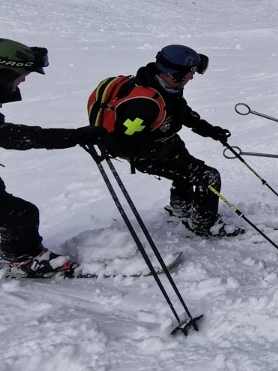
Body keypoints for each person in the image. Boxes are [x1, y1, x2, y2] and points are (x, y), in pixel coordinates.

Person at [0, 38, 106, 276]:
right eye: (20, 75)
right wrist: (71, 136)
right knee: (20, 214)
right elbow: (6, 136)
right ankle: (26, 259)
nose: (22, 80)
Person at [97, 45, 244, 238]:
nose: (192, 77)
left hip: (167, 142)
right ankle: (205, 225)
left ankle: (181, 208)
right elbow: (119, 143)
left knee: (185, 173)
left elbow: (181, 112)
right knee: (208, 177)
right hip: (147, 154)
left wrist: (209, 130)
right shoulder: (144, 105)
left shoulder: (167, 87)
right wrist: (157, 152)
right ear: (174, 73)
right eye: (190, 73)